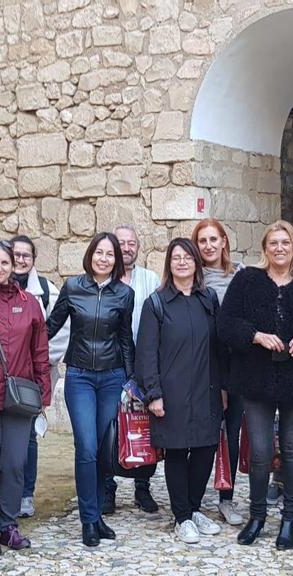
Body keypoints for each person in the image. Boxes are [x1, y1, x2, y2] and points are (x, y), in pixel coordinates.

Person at [218, 220, 293, 550]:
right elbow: (226, 324)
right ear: (265, 248)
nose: (280, 248)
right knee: (261, 451)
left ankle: (290, 519)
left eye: (286, 242)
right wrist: (253, 335)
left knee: (292, 450)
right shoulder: (247, 280)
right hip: (255, 378)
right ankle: (257, 516)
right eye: (274, 243)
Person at [0, 235, 68, 519]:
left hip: (19, 396)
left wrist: (43, 393)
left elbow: (40, 351)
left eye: (4, 262)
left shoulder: (29, 304)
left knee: (14, 463)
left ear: (13, 266)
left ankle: (9, 522)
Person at [46, 232, 135, 547]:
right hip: (80, 376)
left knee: (102, 449)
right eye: (99, 252)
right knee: (85, 447)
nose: (104, 258)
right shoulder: (73, 288)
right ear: (90, 255)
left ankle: (97, 516)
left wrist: (131, 380)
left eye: (110, 254)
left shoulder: (124, 293)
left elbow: (125, 339)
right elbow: (50, 325)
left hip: (111, 378)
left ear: (116, 260)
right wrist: (25, 351)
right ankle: (87, 519)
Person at [137, 238, 225, 544]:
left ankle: (195, 507)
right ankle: (182, 517)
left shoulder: (209, 299)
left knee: (204, 449)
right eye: (176, 257)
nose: (183, 262)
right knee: (176, 452)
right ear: (169, 264)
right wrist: (153, 393)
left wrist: (224, 386)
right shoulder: (156, 303)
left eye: (188, 257)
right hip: (171, 392)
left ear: (197, 263)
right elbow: (146, 353)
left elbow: (218, 348)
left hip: (206, 388)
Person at [106, 223, 162, 514]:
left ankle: (143, 486)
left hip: (143, 364)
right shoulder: (102, 278)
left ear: (138, 248)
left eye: (132, 243)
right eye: (121, 242)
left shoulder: (150, 279)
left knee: (144, 425)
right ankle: (108, 488)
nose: (127, 248)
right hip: (109, 364)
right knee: (110, 427)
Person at [192, 217, 244, 526]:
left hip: (235, 367)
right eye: (203, 241)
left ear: (224, 241)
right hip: (202, 367)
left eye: (214, 239)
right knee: (201, 435)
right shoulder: (192, 278)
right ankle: (192, 500)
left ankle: (227, 497)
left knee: (232, 434)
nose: (209, 246)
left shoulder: (242, 275)